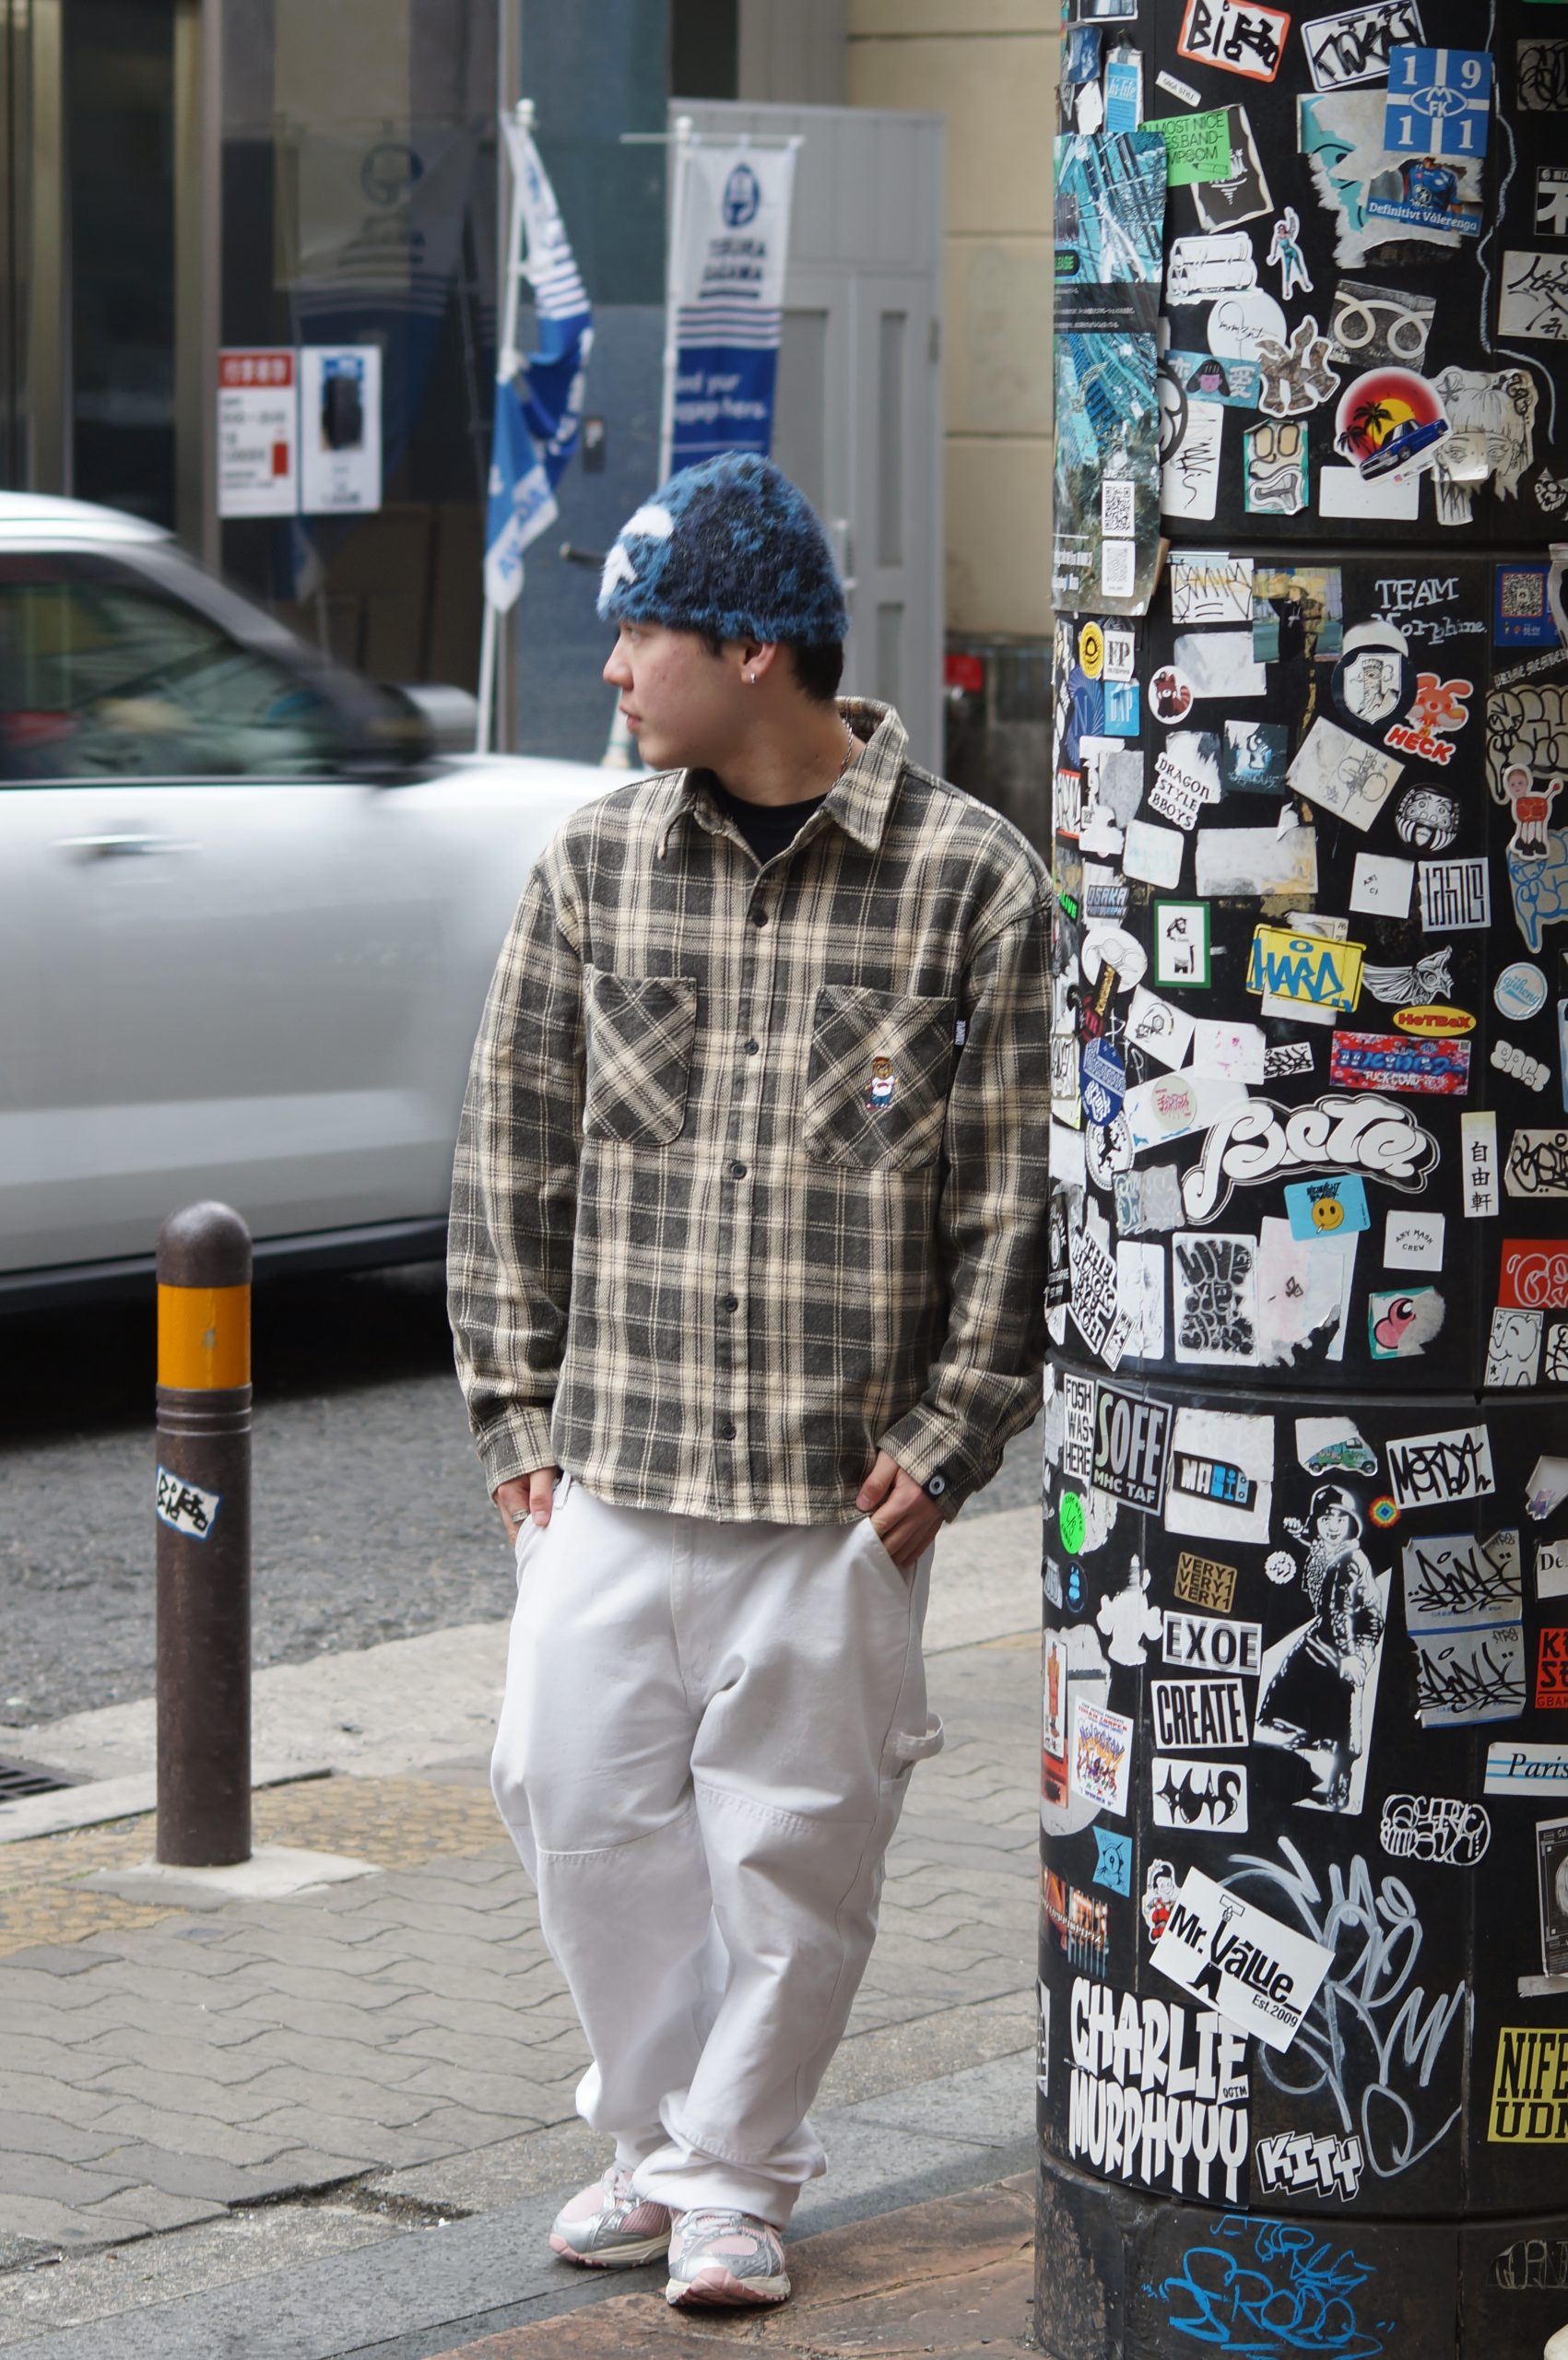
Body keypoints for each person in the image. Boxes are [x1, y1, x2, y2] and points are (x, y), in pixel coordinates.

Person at [448, 452, 1050, 2311]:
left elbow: (1014, 1196)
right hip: (612, 1463)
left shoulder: (969, 880)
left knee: (795, 1852)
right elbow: (508, 1152)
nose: (616, 668)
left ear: (752, 649)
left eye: (642, 631)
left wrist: (952, 1439)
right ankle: (657, 2137)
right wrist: (514, 1417)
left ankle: (731, 2176)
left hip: (831, 1488)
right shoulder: (593, 860)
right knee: (563, 1791)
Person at [1258, 1484, 1384, 1810]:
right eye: (1325, 1518)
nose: (1332, 1526)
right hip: (1327, 1637)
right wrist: (1298, 1532)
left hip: (1347, 1641)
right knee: (1288, 1694)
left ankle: (1339, 1782)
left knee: (1342, 1713)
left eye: (1339, 1518)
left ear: (1351, 1522)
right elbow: (1317, 1543)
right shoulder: (1330, 1550)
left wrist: (1353, 1655)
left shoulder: (1349, 1561)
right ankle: (1311, 1755)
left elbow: (1342, 1610)